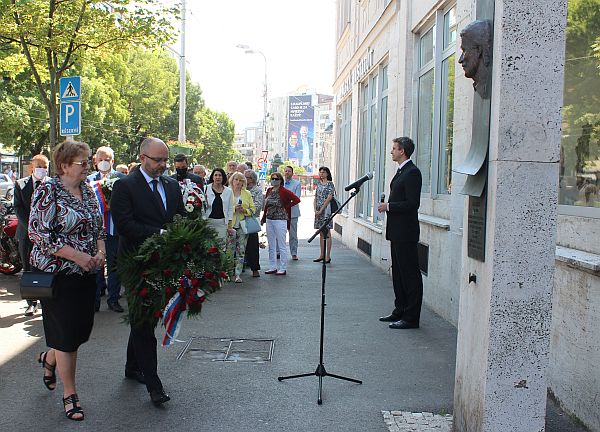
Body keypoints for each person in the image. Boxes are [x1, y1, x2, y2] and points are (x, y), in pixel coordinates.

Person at [28, 140, 106, 421]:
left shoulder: (87, 189)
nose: (88, 166)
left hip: (86, 275)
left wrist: (99, 253)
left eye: (88, 161)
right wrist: (77, 256)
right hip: (57, 276)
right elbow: (39, 234)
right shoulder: (48, 189)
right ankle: (70, 394)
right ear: (63, 166)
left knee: (77, 332)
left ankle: (49, 359)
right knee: (67, 337)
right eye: (82, 162)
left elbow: (99, 227)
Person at [111, 137, 185, 406]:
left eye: (166, 159)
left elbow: (178, 217)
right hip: (135, 264)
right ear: (143, 158)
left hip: (163, 264)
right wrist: (161, 234)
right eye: (158, 160)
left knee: (147, 318)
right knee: (143, 321)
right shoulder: (125, 186)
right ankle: (153, 384)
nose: (164, 165)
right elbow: (125, 226)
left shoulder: (172, 185)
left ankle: (133, 367)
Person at [377, 137, 423, 330]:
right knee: (397, 273)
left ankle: (411, 317)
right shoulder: (401, 171)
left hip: (406, 233)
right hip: (396, 232)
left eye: (394, 149)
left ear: (402, 151)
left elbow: (413, 204)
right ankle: (400, 310)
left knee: (409, 275)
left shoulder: (412, 172)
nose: (391, 152)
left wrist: (389, 206)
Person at [87, 146, 125, 313]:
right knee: (95, 267)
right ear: (95, 161)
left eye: (107, 159)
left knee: (115, 267)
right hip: (94, 233)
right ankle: (94, 301)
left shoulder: (122, 179)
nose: (104, 162)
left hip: (114, 231)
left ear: (113, 161)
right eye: (101, 159)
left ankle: (114, 299)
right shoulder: (88, 180)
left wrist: (113, 206)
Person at [14, 154, 50, 316]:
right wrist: (32, 227)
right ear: (31, 168)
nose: (42, 169)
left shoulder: (52, 184)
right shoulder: (20, 185)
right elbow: (19, 208)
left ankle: (47, 300)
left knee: (46, 267)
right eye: (39, 166)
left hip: (48, 235)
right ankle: (31, 303)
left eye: (45, 166)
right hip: (26, 233)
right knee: (28, 267)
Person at [261, 172, 300, 275]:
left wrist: (286, 206)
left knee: (281, 244)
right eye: (272, 179)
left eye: (276, 179)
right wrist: (264, 217)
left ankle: (283, 267)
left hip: (280, 219)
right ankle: (272, 266)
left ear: (280, 181)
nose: (274, 181)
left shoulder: (284, 191)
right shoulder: (269, 190)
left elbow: (296, 199)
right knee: (271, 245)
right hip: (270, 219)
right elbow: (266, 206)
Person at [229, 172, 255, 283]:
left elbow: (253, 209)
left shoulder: (247, 193)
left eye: (241, 180)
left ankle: (238, 274)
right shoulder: (227, 192)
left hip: (243, 225)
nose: (238, 182)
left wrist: (245, 211)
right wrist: (234, 208)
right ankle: (228, 273)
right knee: (229, 250)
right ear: (232, 181)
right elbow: (224, 209)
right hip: (230, 225)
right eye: (236, 180)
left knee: (241, 250)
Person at [203, 167, 233, 244]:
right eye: (215, 175)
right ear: (212, 177)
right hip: (208, 222)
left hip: (222, 223)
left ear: (223, 177)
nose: (218, 177)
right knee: (208, 246)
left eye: (220, 175)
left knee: (221, 246)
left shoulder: (228, 191)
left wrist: (230, 225)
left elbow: (230, 209)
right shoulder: (205, 189)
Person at [313, 167, 336, 264]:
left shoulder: (330, 184)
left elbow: (329, 198)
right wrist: (315, 210)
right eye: (320, 172)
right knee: (321, 233)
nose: (321, 174)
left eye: (323, 172)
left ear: (327, 174)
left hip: (326, 211)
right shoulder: (318, 184)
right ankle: (321, 255)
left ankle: (328, 256)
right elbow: (315, 197)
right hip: (318, 211)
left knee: (327, 232)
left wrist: (321, 210)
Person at [244, 169, 264, 277]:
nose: (244, 180)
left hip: (251, 220)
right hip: (239, 220)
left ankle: (255, 268)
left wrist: (246, 210)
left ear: (252, 179)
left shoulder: (257, 190)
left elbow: (257, 206)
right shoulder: (240, 189)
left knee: (252, 245)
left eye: (246, 177)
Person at [283, 166, 301, 260]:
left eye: (289, 171)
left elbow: (296, 197)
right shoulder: (280, 183)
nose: (287, 173)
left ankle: (294, 253)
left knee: (293, 234)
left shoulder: (297, 183)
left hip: (293, 213)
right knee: (280, 233)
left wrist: (285, 202)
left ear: (292, 173)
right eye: (285, 171)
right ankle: (279, 252)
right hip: (280, 213)